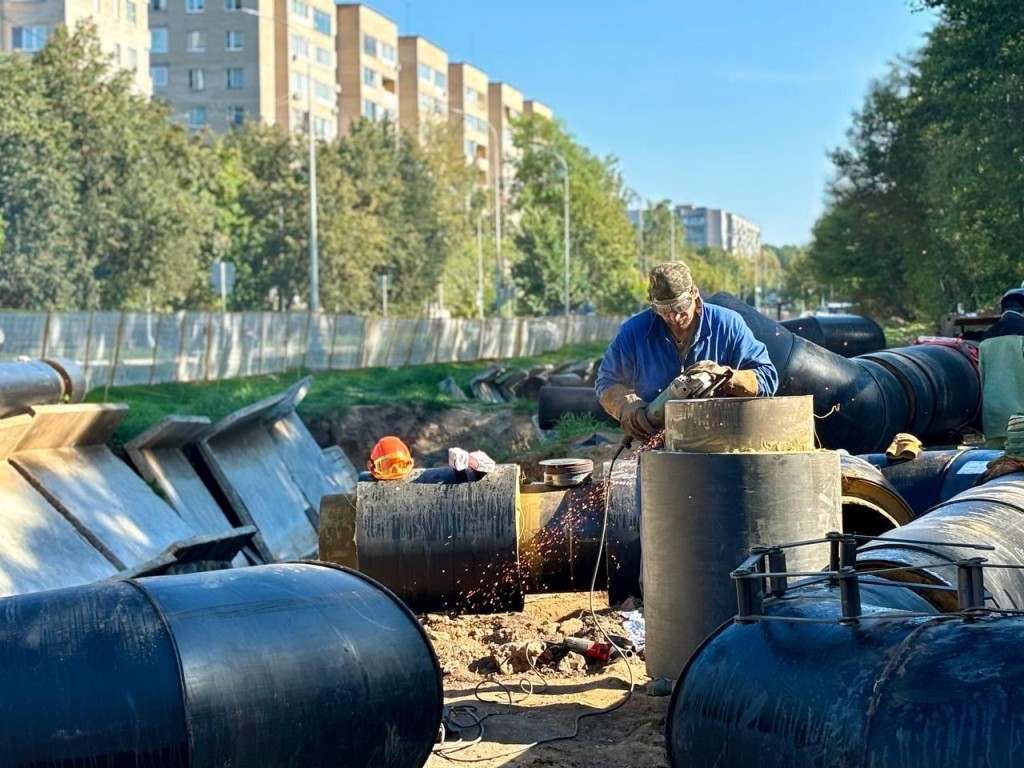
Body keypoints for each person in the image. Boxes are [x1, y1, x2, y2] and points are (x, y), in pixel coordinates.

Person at [596, 261, 779, 441]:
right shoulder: (634, 331)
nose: (673, 317)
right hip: (658, 442)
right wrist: (626, 405)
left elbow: (768, 378)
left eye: (680, 306)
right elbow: (606, 382)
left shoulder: (728, 325)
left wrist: (726, 377)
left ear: (694, 294)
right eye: (663, 310)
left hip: (721, 440)